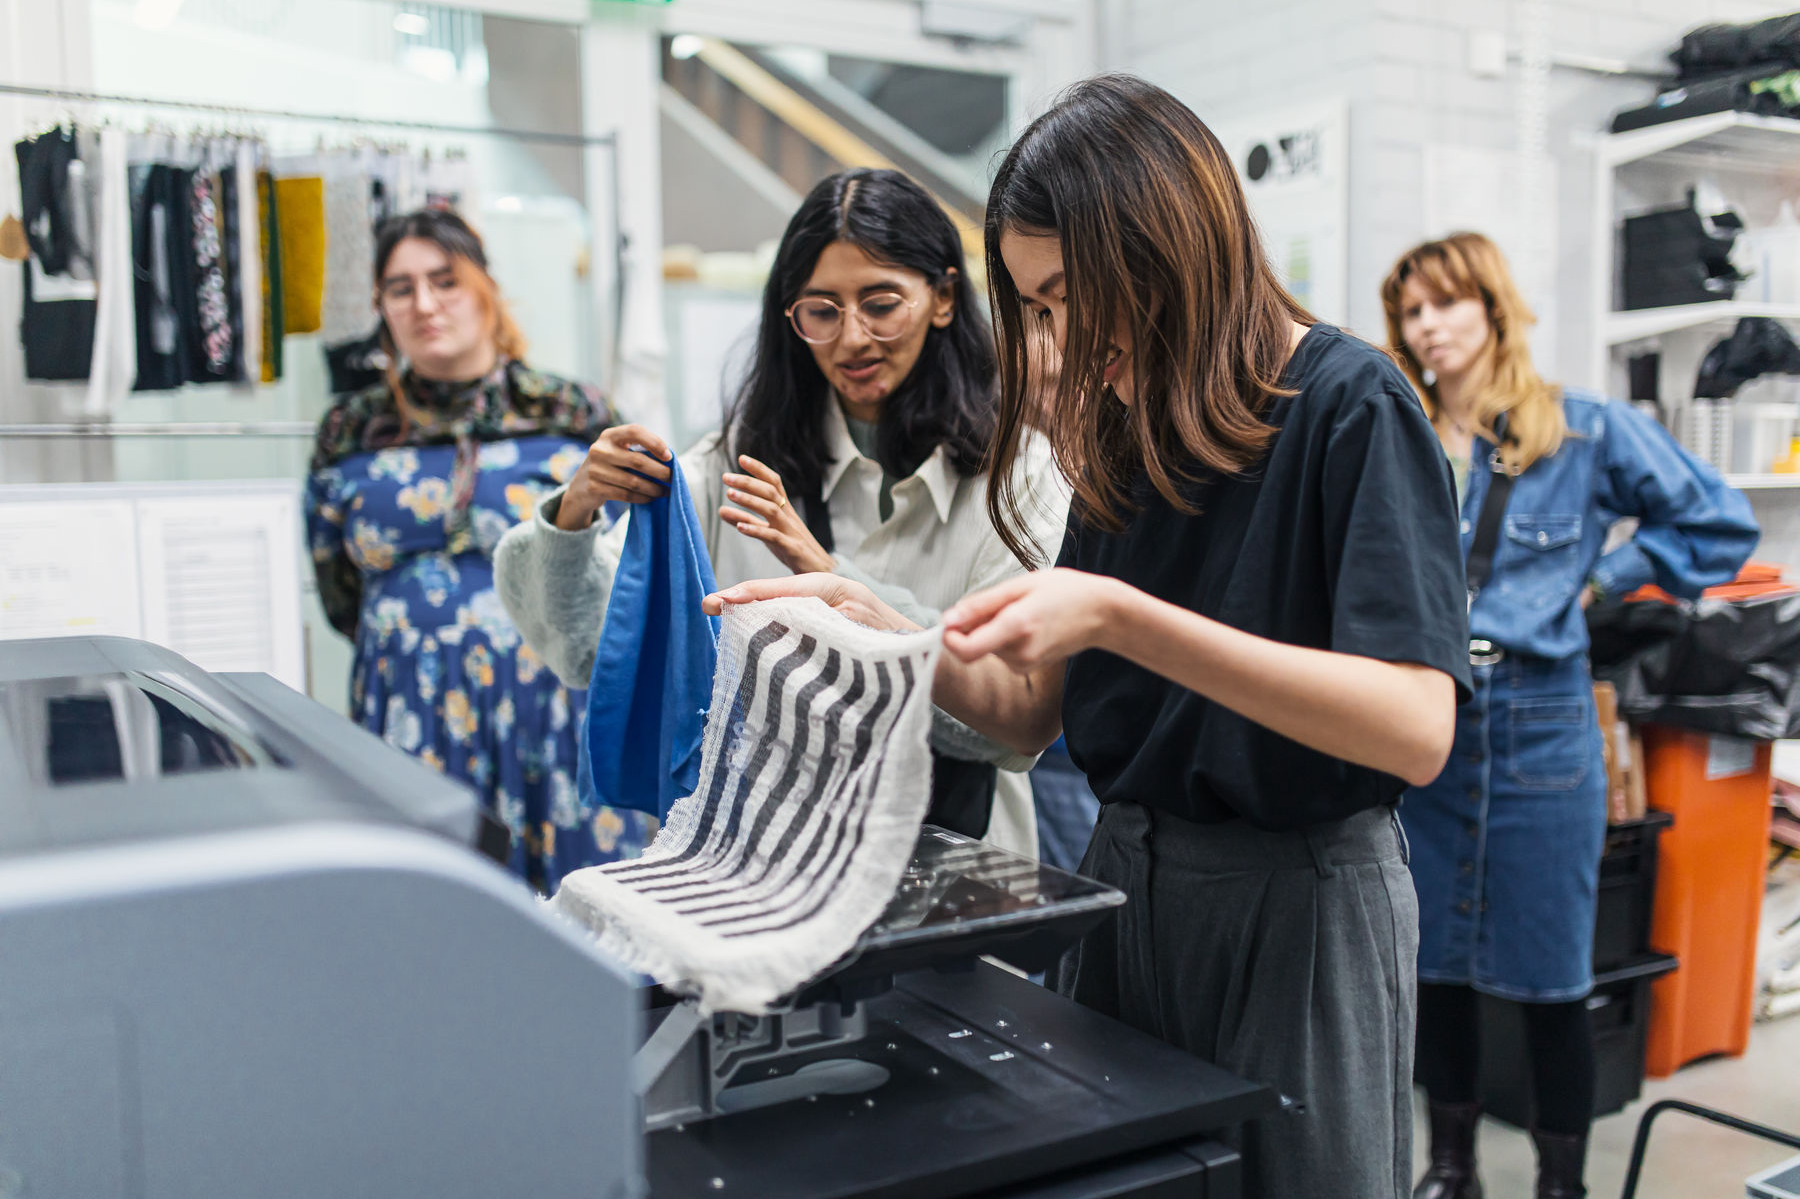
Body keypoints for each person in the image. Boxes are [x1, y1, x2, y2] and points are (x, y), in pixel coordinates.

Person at [705, 75, 1472, 1199]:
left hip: (1297, 905)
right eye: (1036, 308)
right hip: (1126, 886)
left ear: (1163, 247)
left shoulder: (1350, 405)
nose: (1058, 337)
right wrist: (868, 617)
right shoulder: (1134, 427)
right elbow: (1027, 711)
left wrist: (1127, 618)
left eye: (1067, 297)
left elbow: (1413, 729)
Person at [495, 168, 1068, 859]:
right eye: (821, 311)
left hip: (954, 870)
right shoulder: (734, 466)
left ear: (943, 297)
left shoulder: (1022, 477)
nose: (852, 339)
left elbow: (1012, 725)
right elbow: (593, 647)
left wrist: (834, 581)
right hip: (764, 863)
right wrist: (577, 511)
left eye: (882, 304)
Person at [1381, 232, 1758, 1199]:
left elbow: (1718, 520)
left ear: (1492, 307)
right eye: (1413, 310)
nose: (1429, 327)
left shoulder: (1579, 431)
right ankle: (1451, 1168)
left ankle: (1561, 1186)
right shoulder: (1402, 434)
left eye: (1446, 303)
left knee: (1552, 975)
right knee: (1439, 971)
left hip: (1542, 725)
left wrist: (1602, 579)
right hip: (1430, 723)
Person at [305, 209, 652, 892]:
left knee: (578, 919)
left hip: (552, 709)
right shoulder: (350, 429)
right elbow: (338, 593)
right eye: (400, 288)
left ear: (487, 288)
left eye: (445, 280)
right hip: (406, 708)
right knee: (427, 919)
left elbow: (625, 572)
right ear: (381, 307)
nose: (425, 304)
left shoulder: (573, 411)